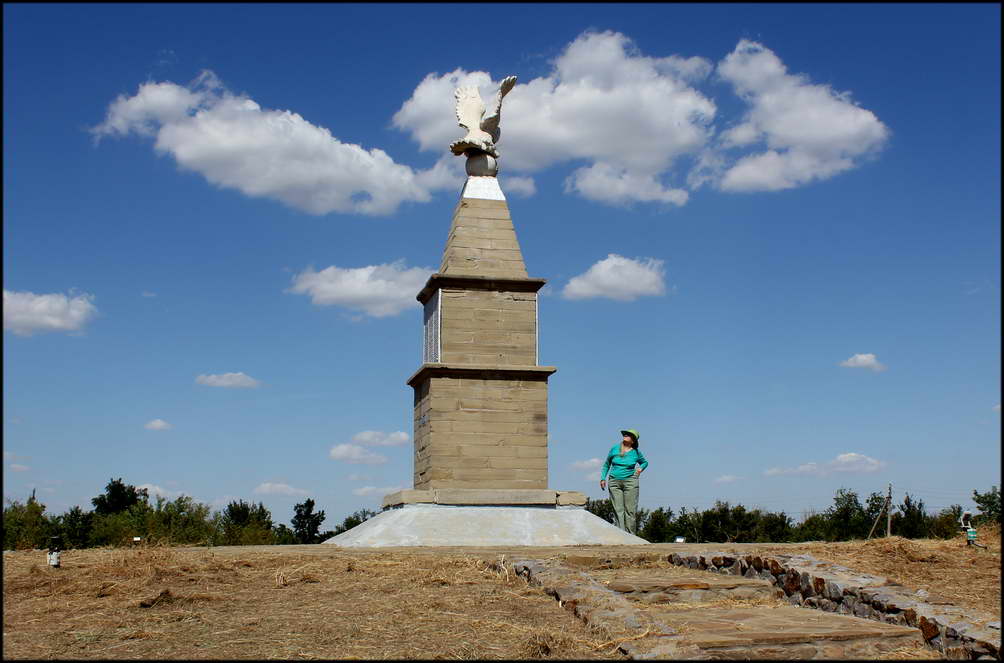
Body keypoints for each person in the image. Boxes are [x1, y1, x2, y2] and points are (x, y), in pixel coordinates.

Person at [599, 429, 648, 535]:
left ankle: (631, 536)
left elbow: (644, 462)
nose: (625, 435)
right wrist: (603, 478)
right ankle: (621, 535)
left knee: (630, 510)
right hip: (614, 482)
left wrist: (640, 469)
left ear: (633, 440)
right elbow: (607, 464)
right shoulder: (614, 449)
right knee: (618, 510)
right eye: (625, 434)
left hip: (630, 481)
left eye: (629, 435)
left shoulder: (636, 452)